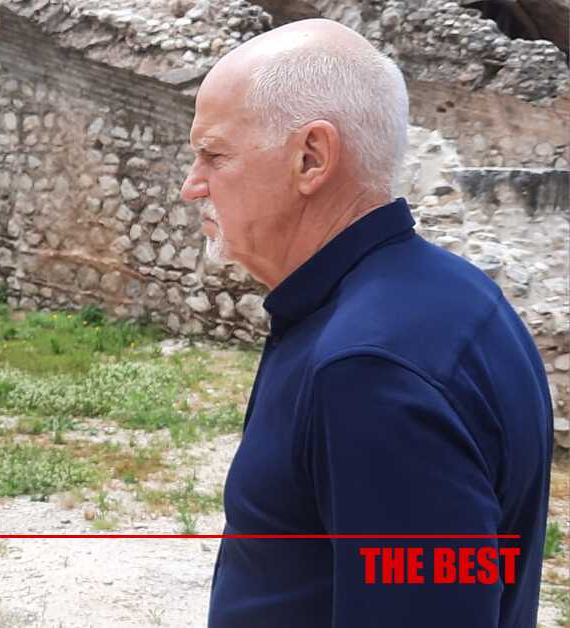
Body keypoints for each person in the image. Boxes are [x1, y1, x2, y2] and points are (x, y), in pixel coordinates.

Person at [179, 18, 553, 628]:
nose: (192, 186)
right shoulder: (453, 295)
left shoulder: (370, 369)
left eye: (214, 155)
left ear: (311, 158)